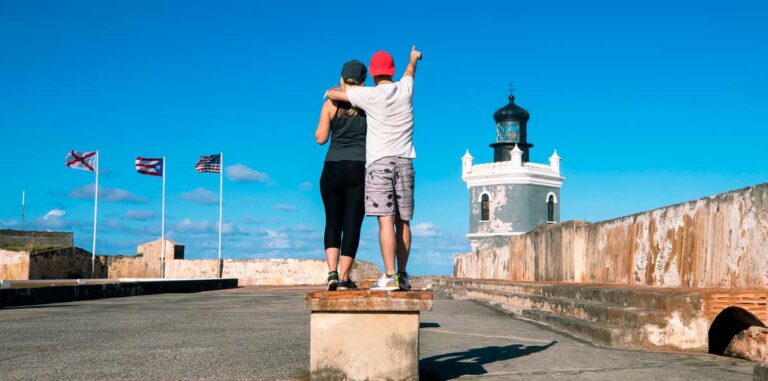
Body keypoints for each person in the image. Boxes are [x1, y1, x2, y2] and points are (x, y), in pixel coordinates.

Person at [325, 46, 422, 291]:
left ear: (374, 74)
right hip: (405, 161)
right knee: (404, 221)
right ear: (392, 71)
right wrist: (413, 58)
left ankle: (389, 276)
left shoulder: (367, 95)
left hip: (379, 163)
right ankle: (402, 275)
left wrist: (341, 87)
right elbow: (410, 71)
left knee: (385, 221)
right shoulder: (405, 88)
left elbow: (334, 94)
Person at [315, 60, 368, 291]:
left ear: (342, 78)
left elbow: (320, 138)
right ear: (363, 80)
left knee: (332, 222)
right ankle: (345, 278)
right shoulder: (369, 103)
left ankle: (332, 273)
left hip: (332, 167)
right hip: (359, 167)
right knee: (352, 223)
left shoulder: (330, 103)